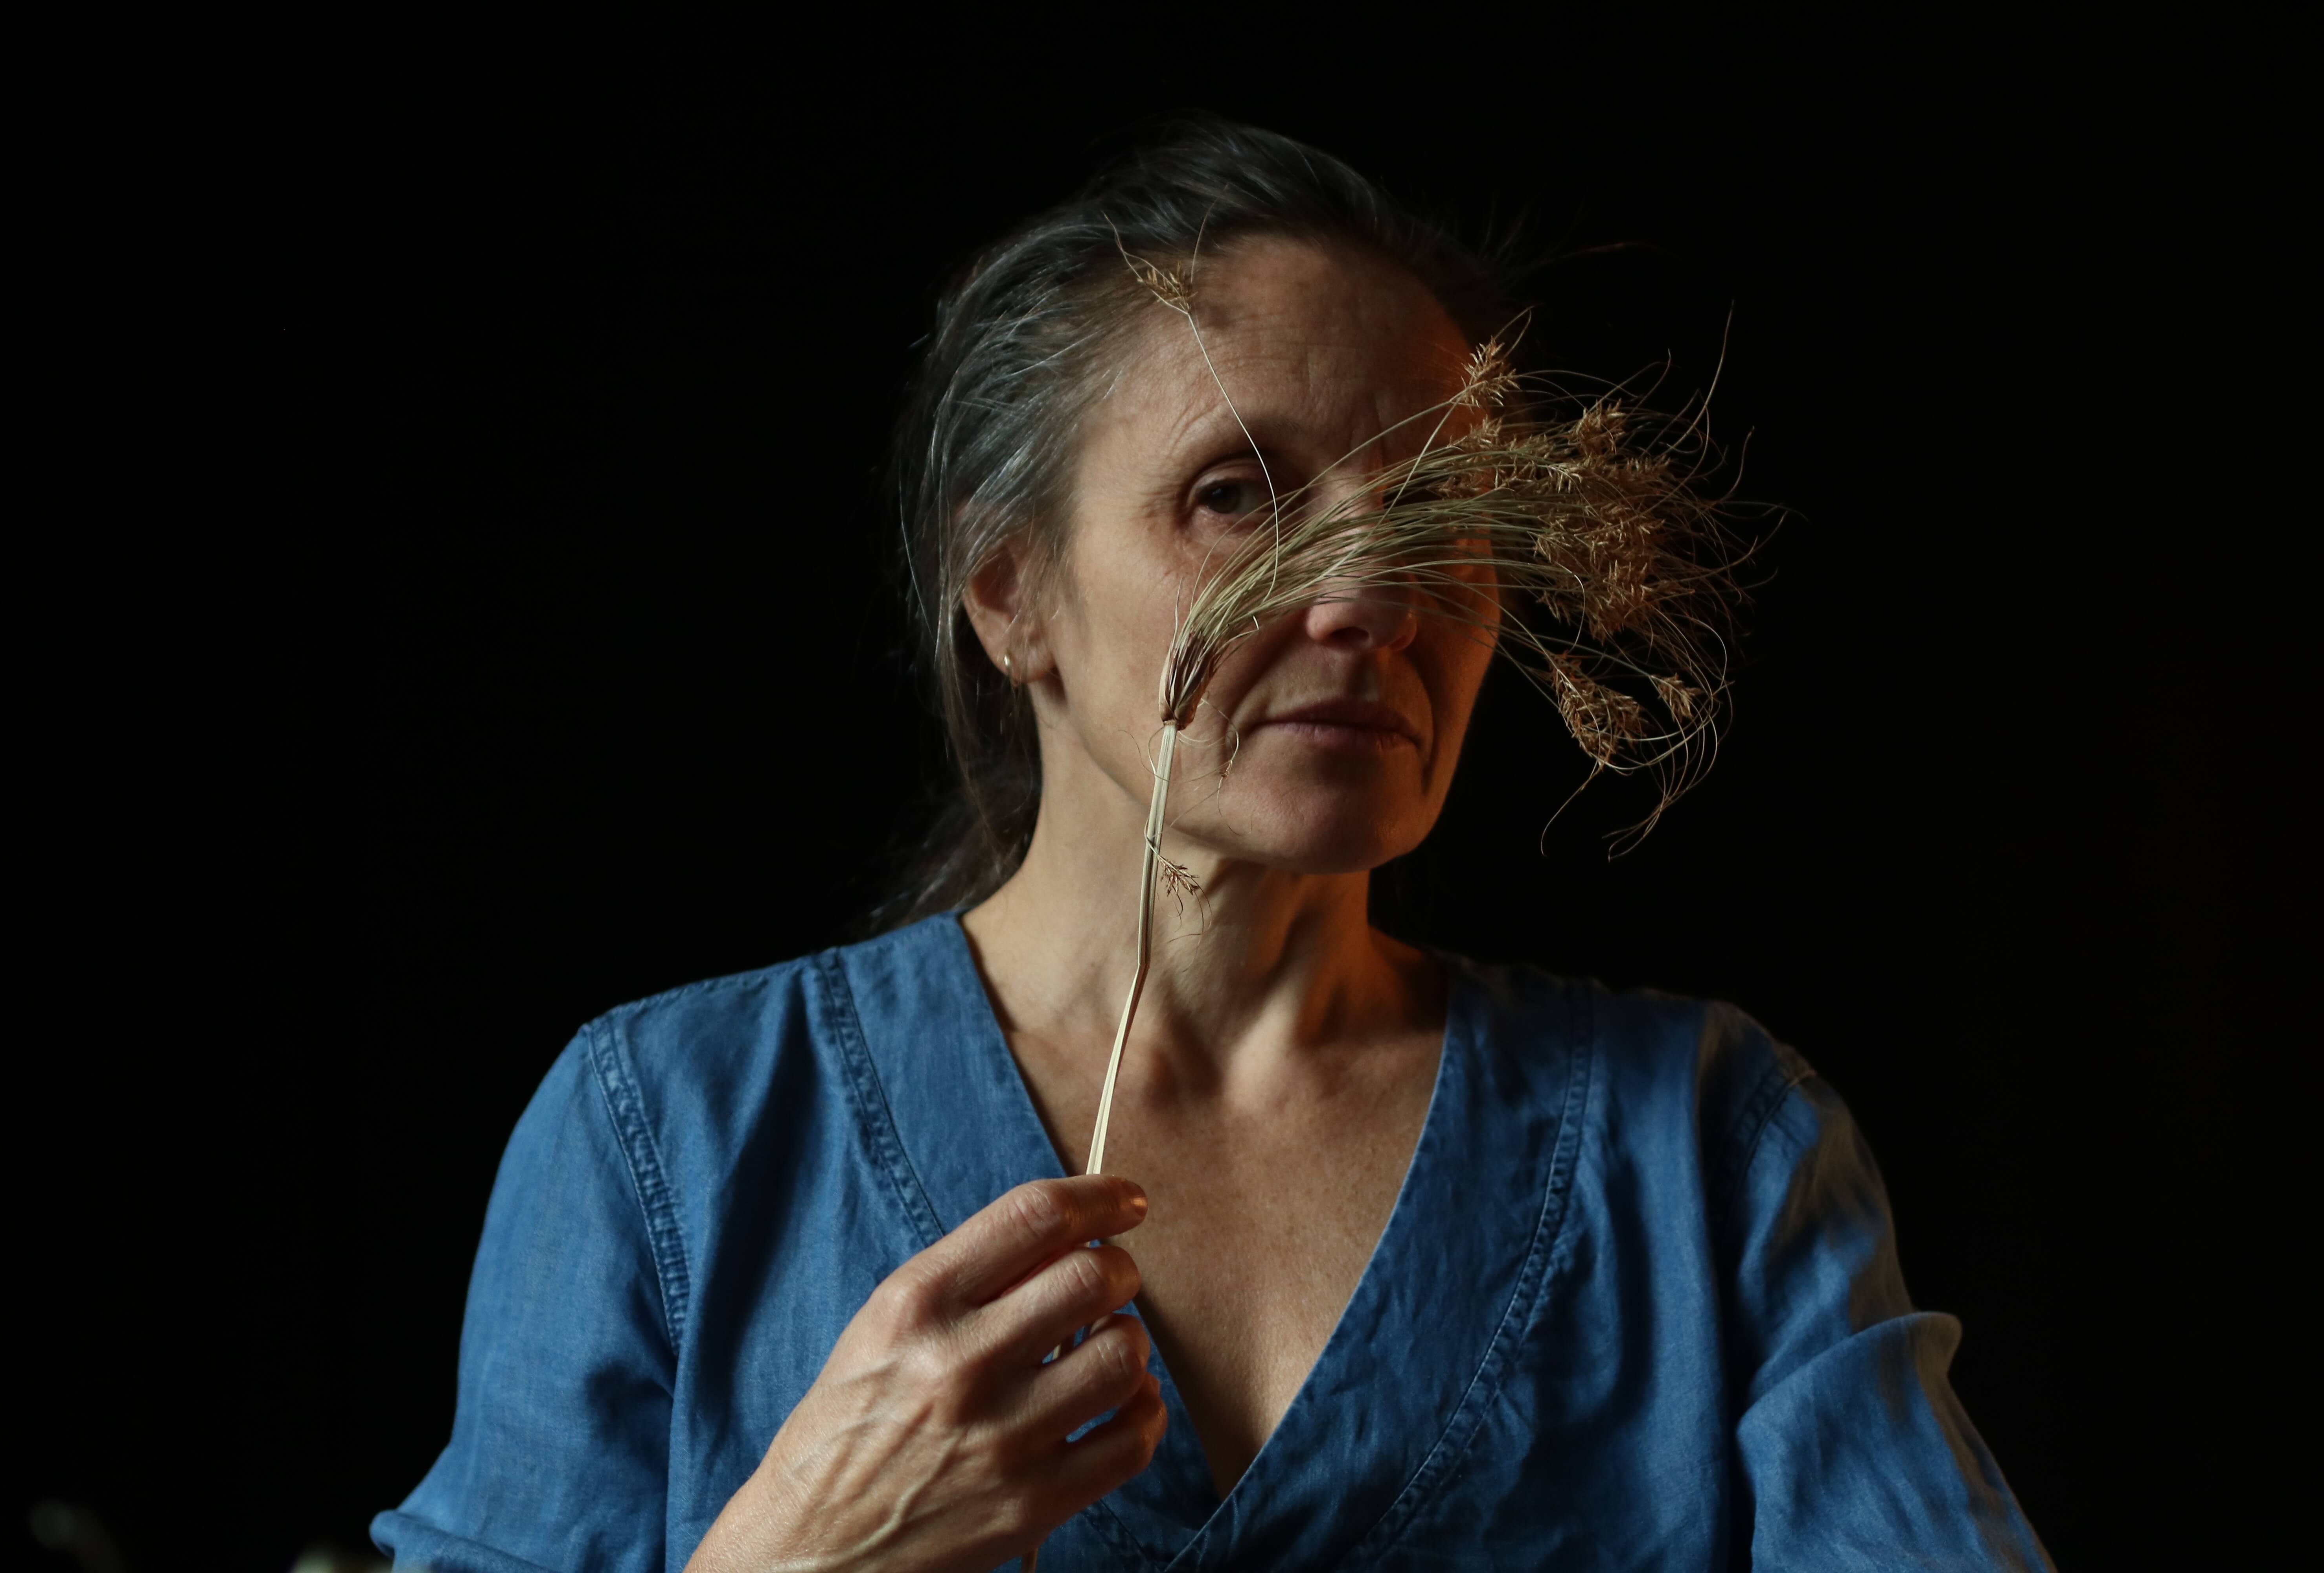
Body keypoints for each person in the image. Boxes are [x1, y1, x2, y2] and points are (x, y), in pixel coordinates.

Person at [374, 118, 2052, 1572]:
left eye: (1435, 512)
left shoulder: (1705, 1149)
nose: (1368, 599)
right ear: (1011, 594)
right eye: (1235, 495)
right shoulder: (670, 1130)